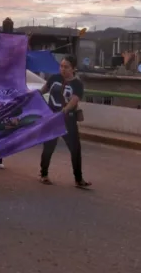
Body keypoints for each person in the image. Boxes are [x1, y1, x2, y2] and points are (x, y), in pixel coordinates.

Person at [38, 55, 91, 188]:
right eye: (61, 66)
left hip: (68, 120)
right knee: (49, 148)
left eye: (66, 67)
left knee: (75, 149)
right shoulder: (54, 79)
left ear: (73, 68)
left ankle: (78, 179)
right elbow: (42, 91)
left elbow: (74, 100)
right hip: (52, 119)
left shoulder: (77, 84)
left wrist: (65, 111)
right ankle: (44, 174)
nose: (63, 69)